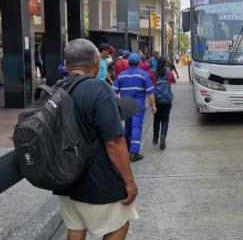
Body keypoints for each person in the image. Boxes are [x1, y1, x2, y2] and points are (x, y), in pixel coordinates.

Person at [54, 39, 139, 240]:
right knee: (118, 226)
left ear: (66, 65)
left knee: (76, 227)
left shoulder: (57, 89)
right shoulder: (99, 90)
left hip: (65, 177)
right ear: (95, 62)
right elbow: (114, 142)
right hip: (97, 179)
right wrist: (130, 183)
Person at [113, 53, 157, 162]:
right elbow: (150, 92)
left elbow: (113, 92)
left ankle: (126, 150)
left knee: (127, 128)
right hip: (138, 104)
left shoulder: (121, 75)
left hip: (125, 104)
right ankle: (134, 153)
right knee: (136, 127)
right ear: (139, 63)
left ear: (128, 62)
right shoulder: (143, 75)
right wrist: (153, 105)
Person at [149, 57, 176, 150]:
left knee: (156, 119)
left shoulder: (152, 73)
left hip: (156, 100)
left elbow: (149, 85)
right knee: (165, 120)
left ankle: (155, 138)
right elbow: (174, 81)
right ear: (165, 63)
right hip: (167, 101)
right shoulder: (169, 73)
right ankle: (163, 135)